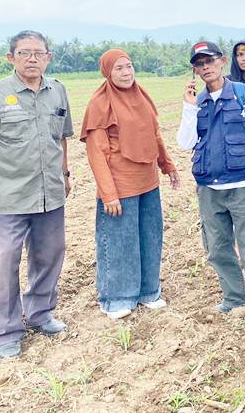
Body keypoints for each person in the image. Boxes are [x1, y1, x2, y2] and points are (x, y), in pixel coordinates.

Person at [0, 30, 72, 358]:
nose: (32, 59)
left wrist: (65, 174)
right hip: (8, 197)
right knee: (6, 260)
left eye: (39, 53)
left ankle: (39, 314)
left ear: (49, 57)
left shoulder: (57, 92)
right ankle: (7, 330)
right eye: (24, 53)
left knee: (50, 253)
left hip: (49, 194)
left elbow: (62, 137)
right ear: (11, 58)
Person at [176, 41, 245, 331]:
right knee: (218, 248)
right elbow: (185, 142)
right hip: (209, 189)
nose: (205, 67)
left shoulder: (243, 94)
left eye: (209, 61)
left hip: (243, 185)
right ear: (195, 70)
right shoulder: (197, 102)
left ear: (222, 61)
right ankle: (234, 298)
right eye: (199, 64)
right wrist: (188, 108)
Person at [80, 48, 180, 320]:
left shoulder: (141, 96)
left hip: (147, 180)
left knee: (150, 235)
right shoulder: (100, 103)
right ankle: (116, 297)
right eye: (119, 69)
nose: (127, 73)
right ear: (108, 73)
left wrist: (166, 164)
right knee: (119, 239)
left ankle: (148, 291)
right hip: (120, 183)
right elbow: (96, 152)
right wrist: (108, 193)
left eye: (129, 66)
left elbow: (155, 134)